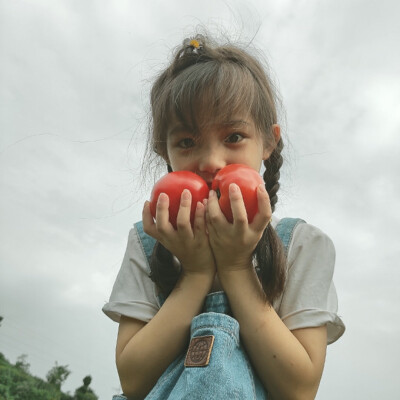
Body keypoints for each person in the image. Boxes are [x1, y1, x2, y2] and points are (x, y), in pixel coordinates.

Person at [102, 33, 345, 399]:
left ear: (268, 141)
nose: (212, 162)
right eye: (186, 142)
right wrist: (197, 273)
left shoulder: (301, 246)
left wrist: (235, 268)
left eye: (233, 136)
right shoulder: (149, 241)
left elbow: (299, 390)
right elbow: (134, 381)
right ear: (163, 150)